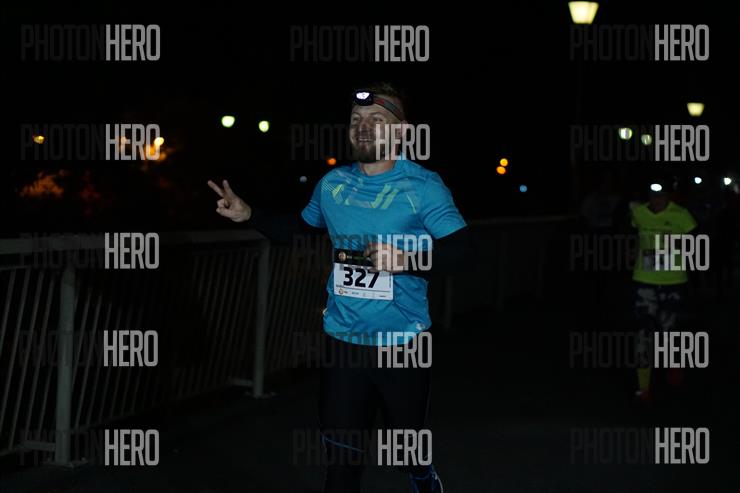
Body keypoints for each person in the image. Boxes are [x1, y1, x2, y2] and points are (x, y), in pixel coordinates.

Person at [208, 82, 472, 492]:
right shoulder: (333, 184)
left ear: (402, 131)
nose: (363, 127)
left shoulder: (423, 187)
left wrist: (407, 260)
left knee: (405, 447)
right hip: (343, 343)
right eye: (356, 119)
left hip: (403, 344)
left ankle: (421, 472)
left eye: (377, 119)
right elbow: (300, 229)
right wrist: (250, 215)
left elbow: (464, 251)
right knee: (342, 463)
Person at [630, 178, 697, 403]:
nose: (656, 199)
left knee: (670, 329)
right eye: (652, 195)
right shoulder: (638, 213)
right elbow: (631, 233)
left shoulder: (682, 215)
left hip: (673, 282)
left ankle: (675, 365)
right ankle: (643, 388)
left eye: (661, 195)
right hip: (645, 281)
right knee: (643, 334)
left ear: (669, 196)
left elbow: (696, 244)